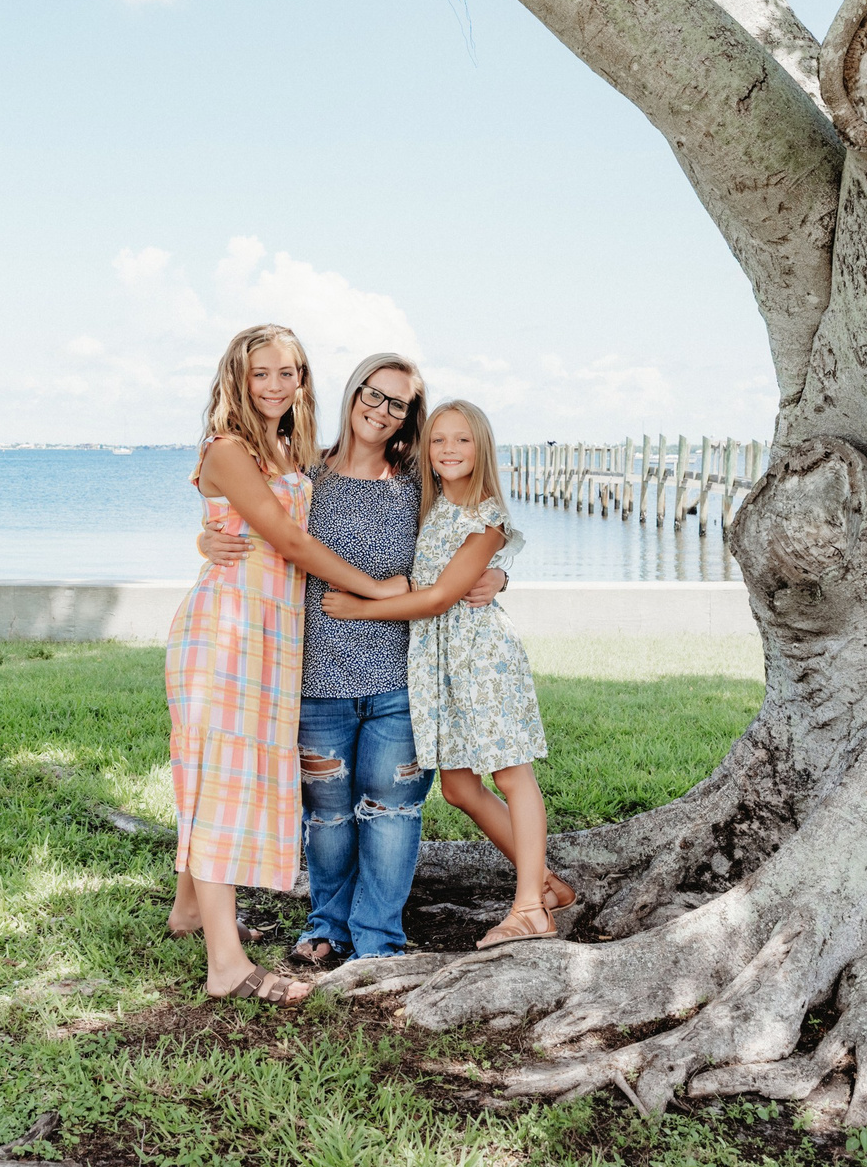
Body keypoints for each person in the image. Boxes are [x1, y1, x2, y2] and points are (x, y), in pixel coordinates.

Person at [200, 353, 505, 967]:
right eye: (373, 393)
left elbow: (474, 533)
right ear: (351, 392)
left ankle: (378, 941)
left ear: (409, 416)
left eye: (398, 403)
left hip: (404, 680)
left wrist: (498, 576)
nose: (381, 410)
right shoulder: (304, 474)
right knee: (329, 813)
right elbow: (255, 528)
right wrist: (206, 540)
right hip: (316, 678)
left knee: (392, 810)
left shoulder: (419, 487)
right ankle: (327, 926)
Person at [168, 324, 410, 1003]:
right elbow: (288, 540)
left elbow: (251, 527)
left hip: (272, 636)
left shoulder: (286, 447)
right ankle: (227, 965)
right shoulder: (228, 447)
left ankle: (190, 906)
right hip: (227, 632)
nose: (277, 385)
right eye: (262, 373)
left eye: (290, 372)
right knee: (219, 779)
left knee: (226, 772)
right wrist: (378, 591)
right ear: (236, 379)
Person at [321, 399, 568, 950]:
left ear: (482, 446)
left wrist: (360, 610)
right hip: (437, 663)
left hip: (480, 658)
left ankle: (530, 906)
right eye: (438, 441)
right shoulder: (429, 506)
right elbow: (418, 580)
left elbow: (437, 598)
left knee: (511, 772)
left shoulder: (485, 516)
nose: (449, 450)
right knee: (458, 788)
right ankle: (546, 882)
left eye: (462, 440)